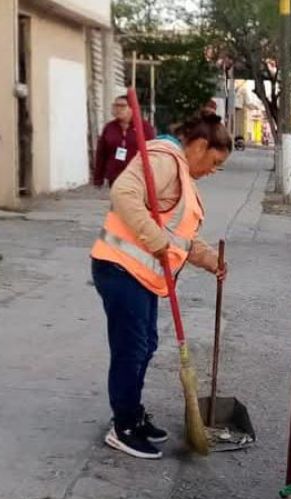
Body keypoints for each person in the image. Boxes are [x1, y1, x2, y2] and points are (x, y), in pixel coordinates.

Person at [90, 111, 231, 460]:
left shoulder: (180, 174)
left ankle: (133, 414)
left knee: (146, 344)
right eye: (214, 161)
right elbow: (124, 192)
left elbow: (179, 238)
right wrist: (153, 239)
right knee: (132, 349)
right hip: (120, 269)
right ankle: (123, 426)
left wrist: (211, 259)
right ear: (199, 145)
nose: (213, 170)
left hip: (141, 276)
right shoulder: (165, 159)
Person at [92, 95, 158, 188]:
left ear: (132, 108)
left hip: (137, 175)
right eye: (115, 106)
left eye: (122, 106)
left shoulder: (144, 127)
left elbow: (153, 151)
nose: (118, 109)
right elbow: (101, 153)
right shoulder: (109, 127)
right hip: (115, 175)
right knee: (118, 201)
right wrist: (98, 178)